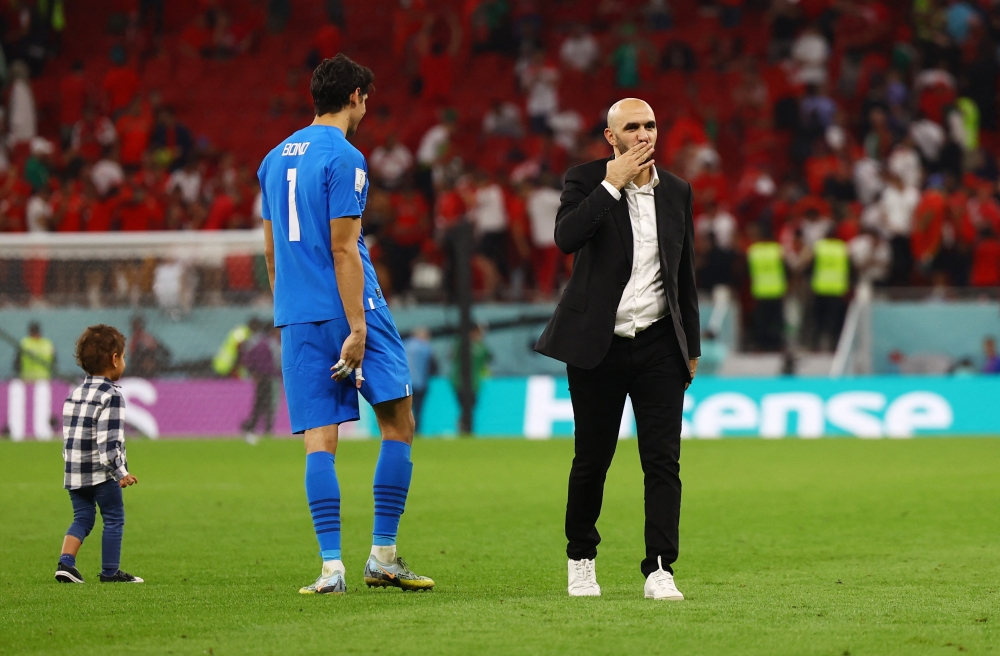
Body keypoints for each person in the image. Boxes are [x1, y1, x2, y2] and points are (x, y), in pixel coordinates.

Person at [257, 54, 433, 595]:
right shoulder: (347, 156)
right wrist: (356, 325)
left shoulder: (272, 159)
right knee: (398, 419)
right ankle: (382, 555)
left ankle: (331, 567)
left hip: (298, 311)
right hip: (352, 305)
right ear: (356, 95)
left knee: (319, 438)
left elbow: (269, 249)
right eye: (367, 98)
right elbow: (343, 249)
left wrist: (289, 306)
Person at [534, 98, 700, 601]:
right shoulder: (585, 180)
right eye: (633, 127)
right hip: (598, 345)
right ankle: (581, 559)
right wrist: (614, 183)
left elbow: (683, 274)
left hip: (657, 345)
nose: (645, 134)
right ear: (612, 138)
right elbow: (565, 238)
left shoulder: (676, 191)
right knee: (593, 458)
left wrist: (689, 346)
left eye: (651, 124)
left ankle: (660, 569)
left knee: (662, 461)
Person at [55, 324, 143, 584]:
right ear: (115, 359)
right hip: (102, 474)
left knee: (82, 517)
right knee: (114, 517)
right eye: (123, 356)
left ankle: (66, 563)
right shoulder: (112, 396)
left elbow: (69, 436)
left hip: (74, 473)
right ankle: (110, 572)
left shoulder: (74, 394)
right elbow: (109, 440)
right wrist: (121, 472)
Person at [240, 322, 281, 443]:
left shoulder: (257, 342)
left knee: (260, 403)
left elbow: (247, 357)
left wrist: (253, 372)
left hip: (262, 376)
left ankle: (251, 426)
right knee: (269, 403)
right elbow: (277, 361)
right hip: (270, 377)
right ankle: (265, 428)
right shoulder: (271, 343)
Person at [403, 327, 436, 433]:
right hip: (420, 383)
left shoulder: (404, 345)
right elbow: (433, 367)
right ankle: (416, 431)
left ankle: (403, 431)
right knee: (418, 409)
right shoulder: (426, 348)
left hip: (404, 383)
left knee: (404, 410)